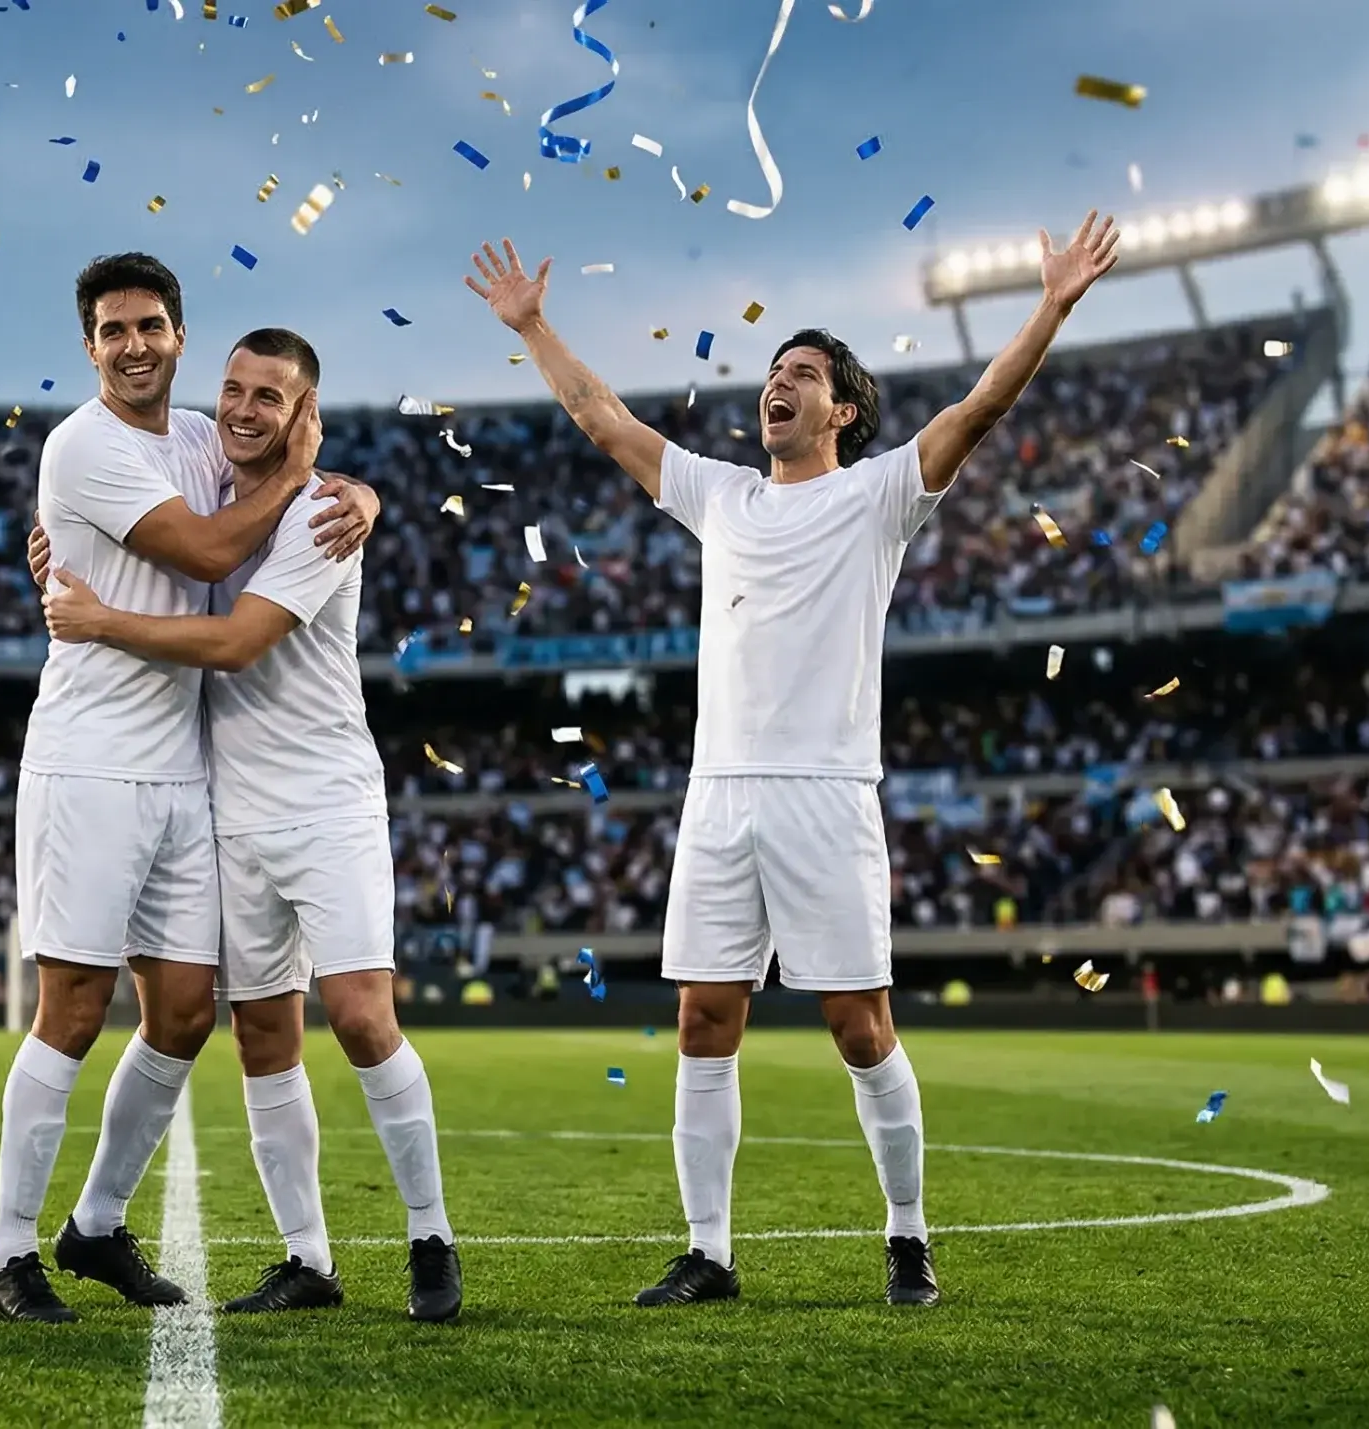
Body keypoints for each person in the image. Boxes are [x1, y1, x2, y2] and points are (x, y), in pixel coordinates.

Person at [463, 212, 1122, 1309]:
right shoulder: (721, 494)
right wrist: (532, 326)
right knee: (701, 1022)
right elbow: (601, 418)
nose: (779, 383)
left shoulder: (880, 496)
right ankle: (709, 1252)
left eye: (803, 373)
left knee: (860, 1028)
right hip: (718, 795)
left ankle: (906, 1235)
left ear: (843, 410)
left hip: (826, 795)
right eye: (775, 371)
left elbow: (980, 407)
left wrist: (1051, 304)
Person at [0, 255, 378, 1323]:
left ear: (180, 335)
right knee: (71, 1008)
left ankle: (96, 1225)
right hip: (90, 759)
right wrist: (301, 477)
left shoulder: (203, 434)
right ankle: (6, 1253)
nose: (134, 345)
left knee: (188, 1012)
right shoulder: (83, 444)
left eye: (150, 325)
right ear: (89, 346)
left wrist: (356, 494)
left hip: (185, 768)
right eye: (113, 330)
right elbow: (206, 546)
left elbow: (273, 471)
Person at [37, 329, 462, 1323]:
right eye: (233, 387)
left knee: (361, 1016)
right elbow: (132, 529)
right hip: (227, 805)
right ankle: (307, 1259)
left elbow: (234, 642)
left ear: (304, 416)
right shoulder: (201, 490)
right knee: (263, 1031)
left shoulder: (318, 513)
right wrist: (58, 552)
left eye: (269, 396)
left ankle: (431, 1234)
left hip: (325, 799)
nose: (241, 408)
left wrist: (101, 620)